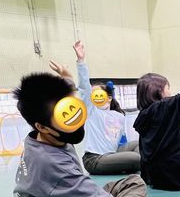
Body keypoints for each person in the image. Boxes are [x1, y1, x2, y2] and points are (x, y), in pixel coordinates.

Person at [12, 72, 156, 197]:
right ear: (41, 126)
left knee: (133, 182)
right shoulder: (50, 163)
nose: (76, 121)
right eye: (66, 118)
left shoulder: (43, 136)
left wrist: (68, 81)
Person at [50, 41, 140, 175]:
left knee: (140, 144)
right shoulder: (92, 111)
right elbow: (84, 88)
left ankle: (131, 164)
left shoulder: (120, 116)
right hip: (95, 159)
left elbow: (121, 141)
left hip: (112, 153)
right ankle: (137, 164)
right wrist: (81, 61)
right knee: (137, 158)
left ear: (109, 97)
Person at [134, 73, 180, 190]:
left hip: (153, 176)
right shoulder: (164, 108)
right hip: (174, 175)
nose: (170, 92)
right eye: (168, 88)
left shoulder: (144, 114)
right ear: (158, 91)